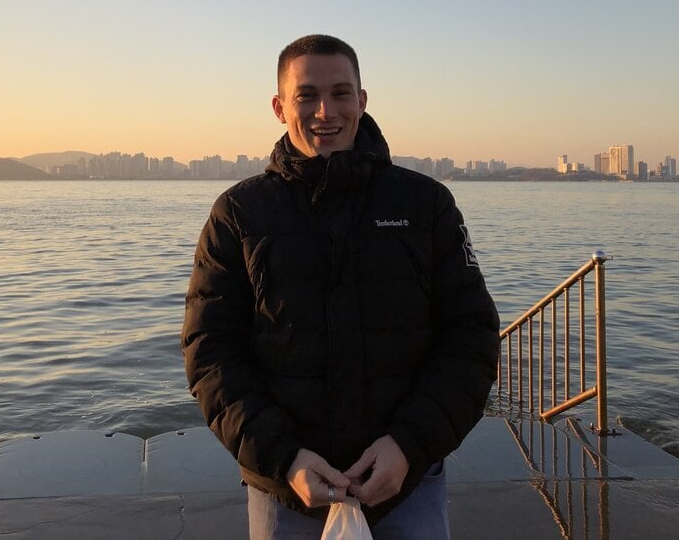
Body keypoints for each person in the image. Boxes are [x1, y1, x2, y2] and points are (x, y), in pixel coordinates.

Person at [182, 35, 499, 539]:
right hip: (285, 492)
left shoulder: (425, 205)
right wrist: (283, 457)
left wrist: (409, 444)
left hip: (408, 485)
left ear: (362, 100)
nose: (325, 111)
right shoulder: (239, 214)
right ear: (279, 107)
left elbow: (471, 336)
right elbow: (210, 352)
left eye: (340, 93)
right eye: (306, 95)